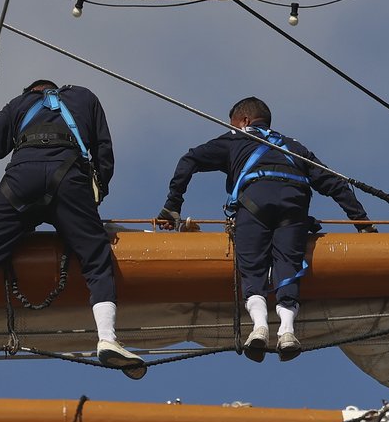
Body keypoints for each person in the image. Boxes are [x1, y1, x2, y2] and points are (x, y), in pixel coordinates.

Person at [0, 79, 146, 379]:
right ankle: (107, 338)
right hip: (69, 178)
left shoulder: (17, 106)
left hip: (20, 182)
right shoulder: (85, 97)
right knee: (96, 259)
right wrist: (94, 197)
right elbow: (104, 151)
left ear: (30, 91)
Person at [156, 97, 376, 363]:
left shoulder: (235, 140)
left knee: (252, 266)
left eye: (234, 125)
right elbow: (334, 184)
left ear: (245, 121)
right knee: (287, 264)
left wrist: (173, 204)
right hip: (293, 208)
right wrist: (363, 224)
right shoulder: (295, 147)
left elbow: (189, 159)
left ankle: (259, 327)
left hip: (255, 204)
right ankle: (287, 331)